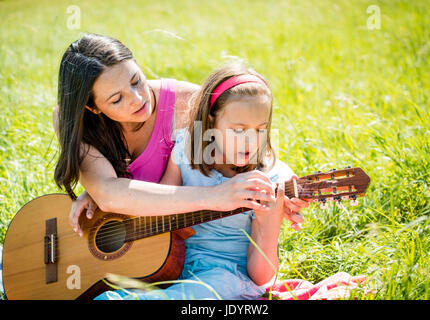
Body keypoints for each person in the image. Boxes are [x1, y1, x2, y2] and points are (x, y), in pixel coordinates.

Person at [53, 33, 305, 237]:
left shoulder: (186, 104)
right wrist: (96, 186)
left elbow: (249, 145)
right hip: (137, 244)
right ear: (92, 107)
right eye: (117, 99)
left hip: (192, 242)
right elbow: (109, 195)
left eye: (136, 80)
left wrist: (281, 182)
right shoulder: (76, 124)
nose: (138, 98)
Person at [94, 62, 309, 300]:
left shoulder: (272, 179)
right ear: (212, 121)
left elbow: (261, 277)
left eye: (260, 129)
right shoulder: (188, 147)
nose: (250, 141)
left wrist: (267, 226)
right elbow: (158, 205)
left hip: (227, 277)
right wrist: (104, 194)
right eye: (238, 130)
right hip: (171, 265)